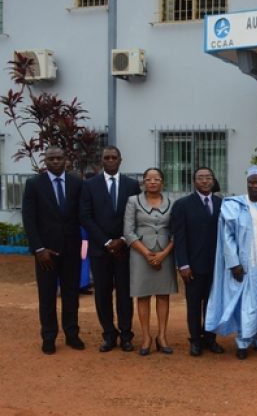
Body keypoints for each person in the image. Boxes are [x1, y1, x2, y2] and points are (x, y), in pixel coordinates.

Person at [205, 166, 257, 360]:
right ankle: (243, 341)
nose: (255, 186)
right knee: (249, 303)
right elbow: (228, 237)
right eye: (252, 182)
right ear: (247, 183)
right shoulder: (235, 205)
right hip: (248, 265)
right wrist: (234, 263)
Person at [22, 146, 84, 354]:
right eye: (51, 158)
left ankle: (72, 333)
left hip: (71, 250)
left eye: (59, 158)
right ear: (45, 161)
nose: (55, 161)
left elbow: (81, 215)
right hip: (45, 252)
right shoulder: (33, 185)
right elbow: (29, 219)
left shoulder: (76, 183)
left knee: (71, 294)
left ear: (66, 159)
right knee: (47, 295)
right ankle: (48, 336)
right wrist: (38, 248)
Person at [80, 146, 141, 352]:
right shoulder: (89, 185)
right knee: (102, 294)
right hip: (100, 250)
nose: (111, 160)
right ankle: (108, 334)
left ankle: (126, 335)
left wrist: (123, 240)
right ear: (101, 161)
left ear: (120, 160)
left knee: (124, 294)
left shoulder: (132, 185)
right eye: (107, 157)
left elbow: (136, 216)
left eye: (114, 157)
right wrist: (106, 242)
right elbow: (86, 217)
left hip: (125, 249)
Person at [172, 167, 225, 357]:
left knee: (213, 304)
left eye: (208, 177)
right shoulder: (182, 205)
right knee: (194, 304)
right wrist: (183, 264)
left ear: (213, 180)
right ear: (194, 181)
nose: (204, 181)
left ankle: (210, 339)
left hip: (217, 266)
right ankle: (195, 340)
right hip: (193, 265)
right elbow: (179, 237)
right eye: (200, 178)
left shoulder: (221, 204)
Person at [124, 168, 177, 356]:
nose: (152, 182)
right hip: (140, 254)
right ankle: (146, 337)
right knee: (143, 295)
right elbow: (128, 232)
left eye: (156, 179)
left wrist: (164, 253)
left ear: (163, 182)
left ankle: (162, 336)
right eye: (148, 179)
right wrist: (147, 253)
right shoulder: (133, 201)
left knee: (163, 295)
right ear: (143, 182)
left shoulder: (172, 203)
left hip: (165, 253)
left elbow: (176, 232)